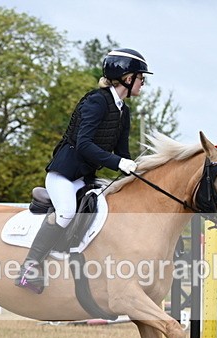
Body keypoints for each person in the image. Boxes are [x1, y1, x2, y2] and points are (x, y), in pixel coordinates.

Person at [15, 48, 151, 293]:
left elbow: (122, 152)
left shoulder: (124, 111)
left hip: (85, 177)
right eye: (142, 78)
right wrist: (119, 164)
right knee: (66, 212)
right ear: (127, 78)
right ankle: (29, 267)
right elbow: (84, 144)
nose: (143, 83)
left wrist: (134, 170)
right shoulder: (96, 101)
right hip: (64, 174)